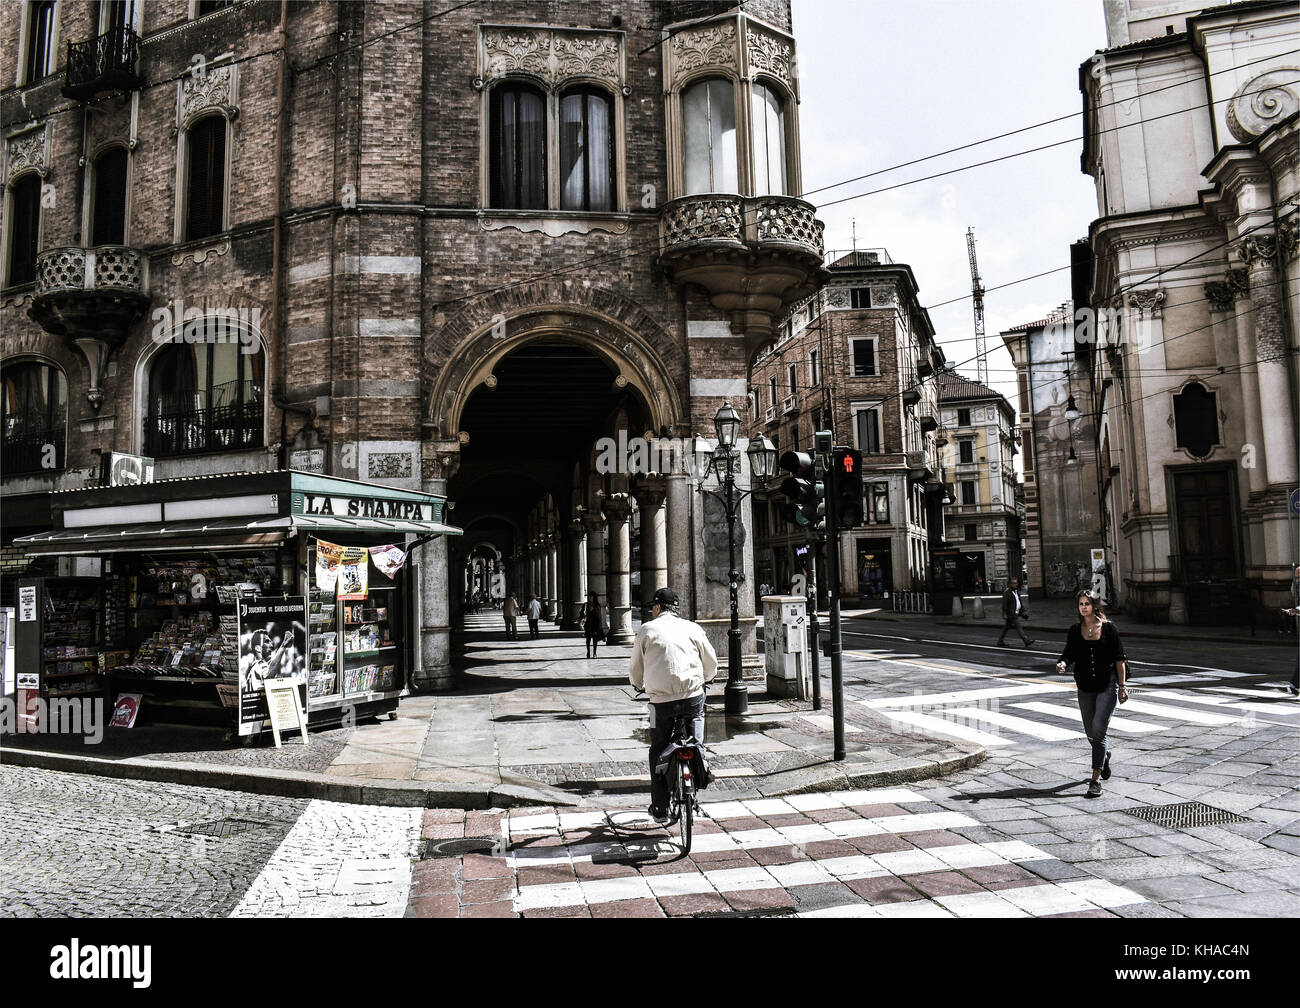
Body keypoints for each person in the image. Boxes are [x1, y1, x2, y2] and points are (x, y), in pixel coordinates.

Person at [629, 587, 718, 824]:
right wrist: (707, 678)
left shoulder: (647, 629)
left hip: (659, 704)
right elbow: (711, 663)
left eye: (652, 608)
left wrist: (638, 685)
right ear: (676, 609)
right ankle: (701, 771)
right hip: (692, 699)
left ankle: (659, 806)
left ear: (658, 608)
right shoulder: (692, 628)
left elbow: (635, 669)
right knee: (696, 739)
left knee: (657, 748)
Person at [1056, 590, 1129, 797]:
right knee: (1090, 732)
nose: (1084, 607)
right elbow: (1068, 653)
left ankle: (1095, 780)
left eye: (1087, 603)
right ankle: (1104, 756)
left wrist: (1122, 687)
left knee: (1099, 731)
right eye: (1081, 604)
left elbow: (1119, 659)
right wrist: (1062, 663)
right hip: (1085, 688)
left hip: (1108, 685)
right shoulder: (1074, 630)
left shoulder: (1109, 629)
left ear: (1095, 605)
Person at [996, 576, 1035, 648]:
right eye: (1014, 583)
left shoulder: (1016, 592)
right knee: (1018, 627)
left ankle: (1000, 641)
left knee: (1006, 628)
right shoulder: (1007, 592)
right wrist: (1004, 613)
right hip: (1011, 614)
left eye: (1016, 583)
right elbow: (1004, 604)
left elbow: (1019, 602)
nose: (1015, 584)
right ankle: (1026, 641)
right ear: (1010, 584)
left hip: (1016, 613)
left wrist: (1022, 612)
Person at [582, 591, 607, 659]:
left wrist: (600, 626)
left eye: (591, 597)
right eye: (589, 597)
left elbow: (599, 617)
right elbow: (581, 614)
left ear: (594, 597)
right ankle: (588, 652)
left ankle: (594, 653)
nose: (590, 598)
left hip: (595, 625)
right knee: (588, 640)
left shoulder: (597, 606)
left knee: (595, 640)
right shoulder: (585, 605)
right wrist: (583, 615)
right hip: (588, 625)